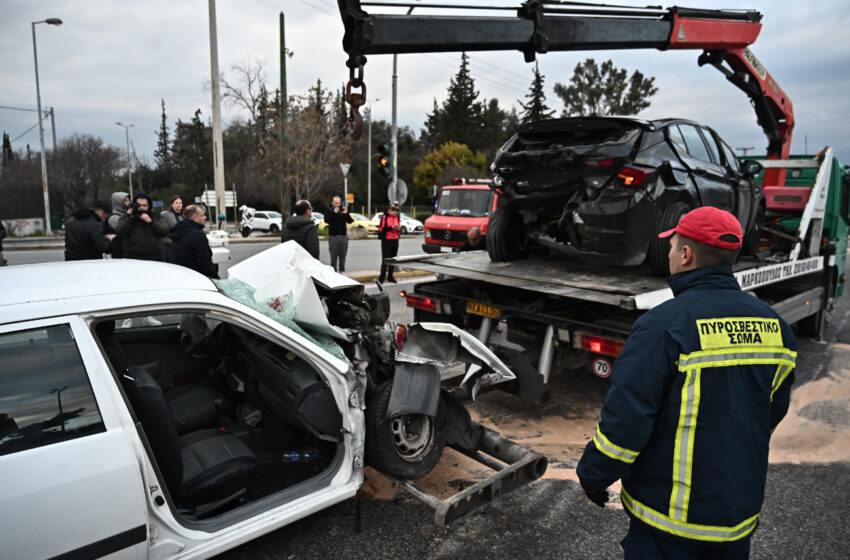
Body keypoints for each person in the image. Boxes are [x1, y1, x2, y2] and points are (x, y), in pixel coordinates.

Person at [576, 206, 796, 559]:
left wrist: (593, 474)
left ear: (686, 254)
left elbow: (627, 421)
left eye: (671, 247)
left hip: (670, 520)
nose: (669, 255)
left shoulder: (663, 326)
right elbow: (769, 411)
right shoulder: (775, 325)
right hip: (736, 513)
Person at [114, 193, 169, 261]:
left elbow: (164, 232)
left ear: (149, 206)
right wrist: (130, 218)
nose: (142, 207)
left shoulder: (157, 216)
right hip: (132, 258)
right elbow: (119, 233)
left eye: (145, 205)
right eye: (139, 205)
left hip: (155, 257)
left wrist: (151, 222)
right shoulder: (127, 217)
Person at [169, 204, 219, 278]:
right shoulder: (197, 235)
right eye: (202, 215)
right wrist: (216, 279)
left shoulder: (178, 230)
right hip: (198, 277)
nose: (205, 217)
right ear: (194, 218)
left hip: (182, 276)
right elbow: (205, 263)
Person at [326, 195, 354, 273]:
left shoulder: (343, 210)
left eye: (338, 203)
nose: (337, 205)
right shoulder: (329, 210)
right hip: (333, 236)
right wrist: (334, 213)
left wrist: (346, 213)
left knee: (343, 255)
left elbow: (350, 221)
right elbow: (326, 220)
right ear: (332, 202)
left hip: (343, 236)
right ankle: (333, 271)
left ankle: (342, 270)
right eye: (335, 203)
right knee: (333, 255)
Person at [378, 202, 402, 283]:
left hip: (395, 239)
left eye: (397, 211)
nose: (395, 212)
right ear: (390, 210)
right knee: (385, 260)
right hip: (386, 240)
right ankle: (382, 277)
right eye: (394, 211)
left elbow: (399, 229)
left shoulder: (397, 217)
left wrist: (398, 229)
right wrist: (391, 227)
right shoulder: (385, 217)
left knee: (393, 259)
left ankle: (390, 276)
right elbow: (381, 229)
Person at [160, 195, 184, 262]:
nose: (179, 205)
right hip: (168, 245)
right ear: (172, 204)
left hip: (179, 246)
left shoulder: (183, 216)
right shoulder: (165, 214)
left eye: (180, 203)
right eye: (176, 203)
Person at [106, 191, 130, 258]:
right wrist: (129, 216)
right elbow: (123, 229)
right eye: (125, 201)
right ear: (118, 202)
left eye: (129, 200)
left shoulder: (126, 215)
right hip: (119, 253)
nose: (128, 203)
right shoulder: (114, 218)